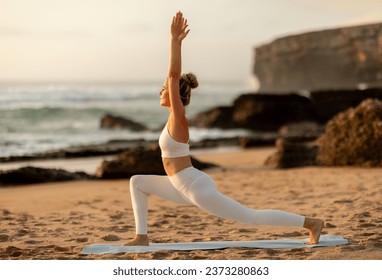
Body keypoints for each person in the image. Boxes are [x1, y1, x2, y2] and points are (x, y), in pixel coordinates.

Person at [125, 11, 324, 246]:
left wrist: (174, 41)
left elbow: (173, 74)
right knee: (137, 181)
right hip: (178, 186)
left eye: (164, 88)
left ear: (175, 94)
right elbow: (172, 79)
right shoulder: (171, 119)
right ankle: (141, 237)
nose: (161, 90)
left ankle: (311, 222)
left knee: (250, 217)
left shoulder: (179, 118)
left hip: (193, 186)